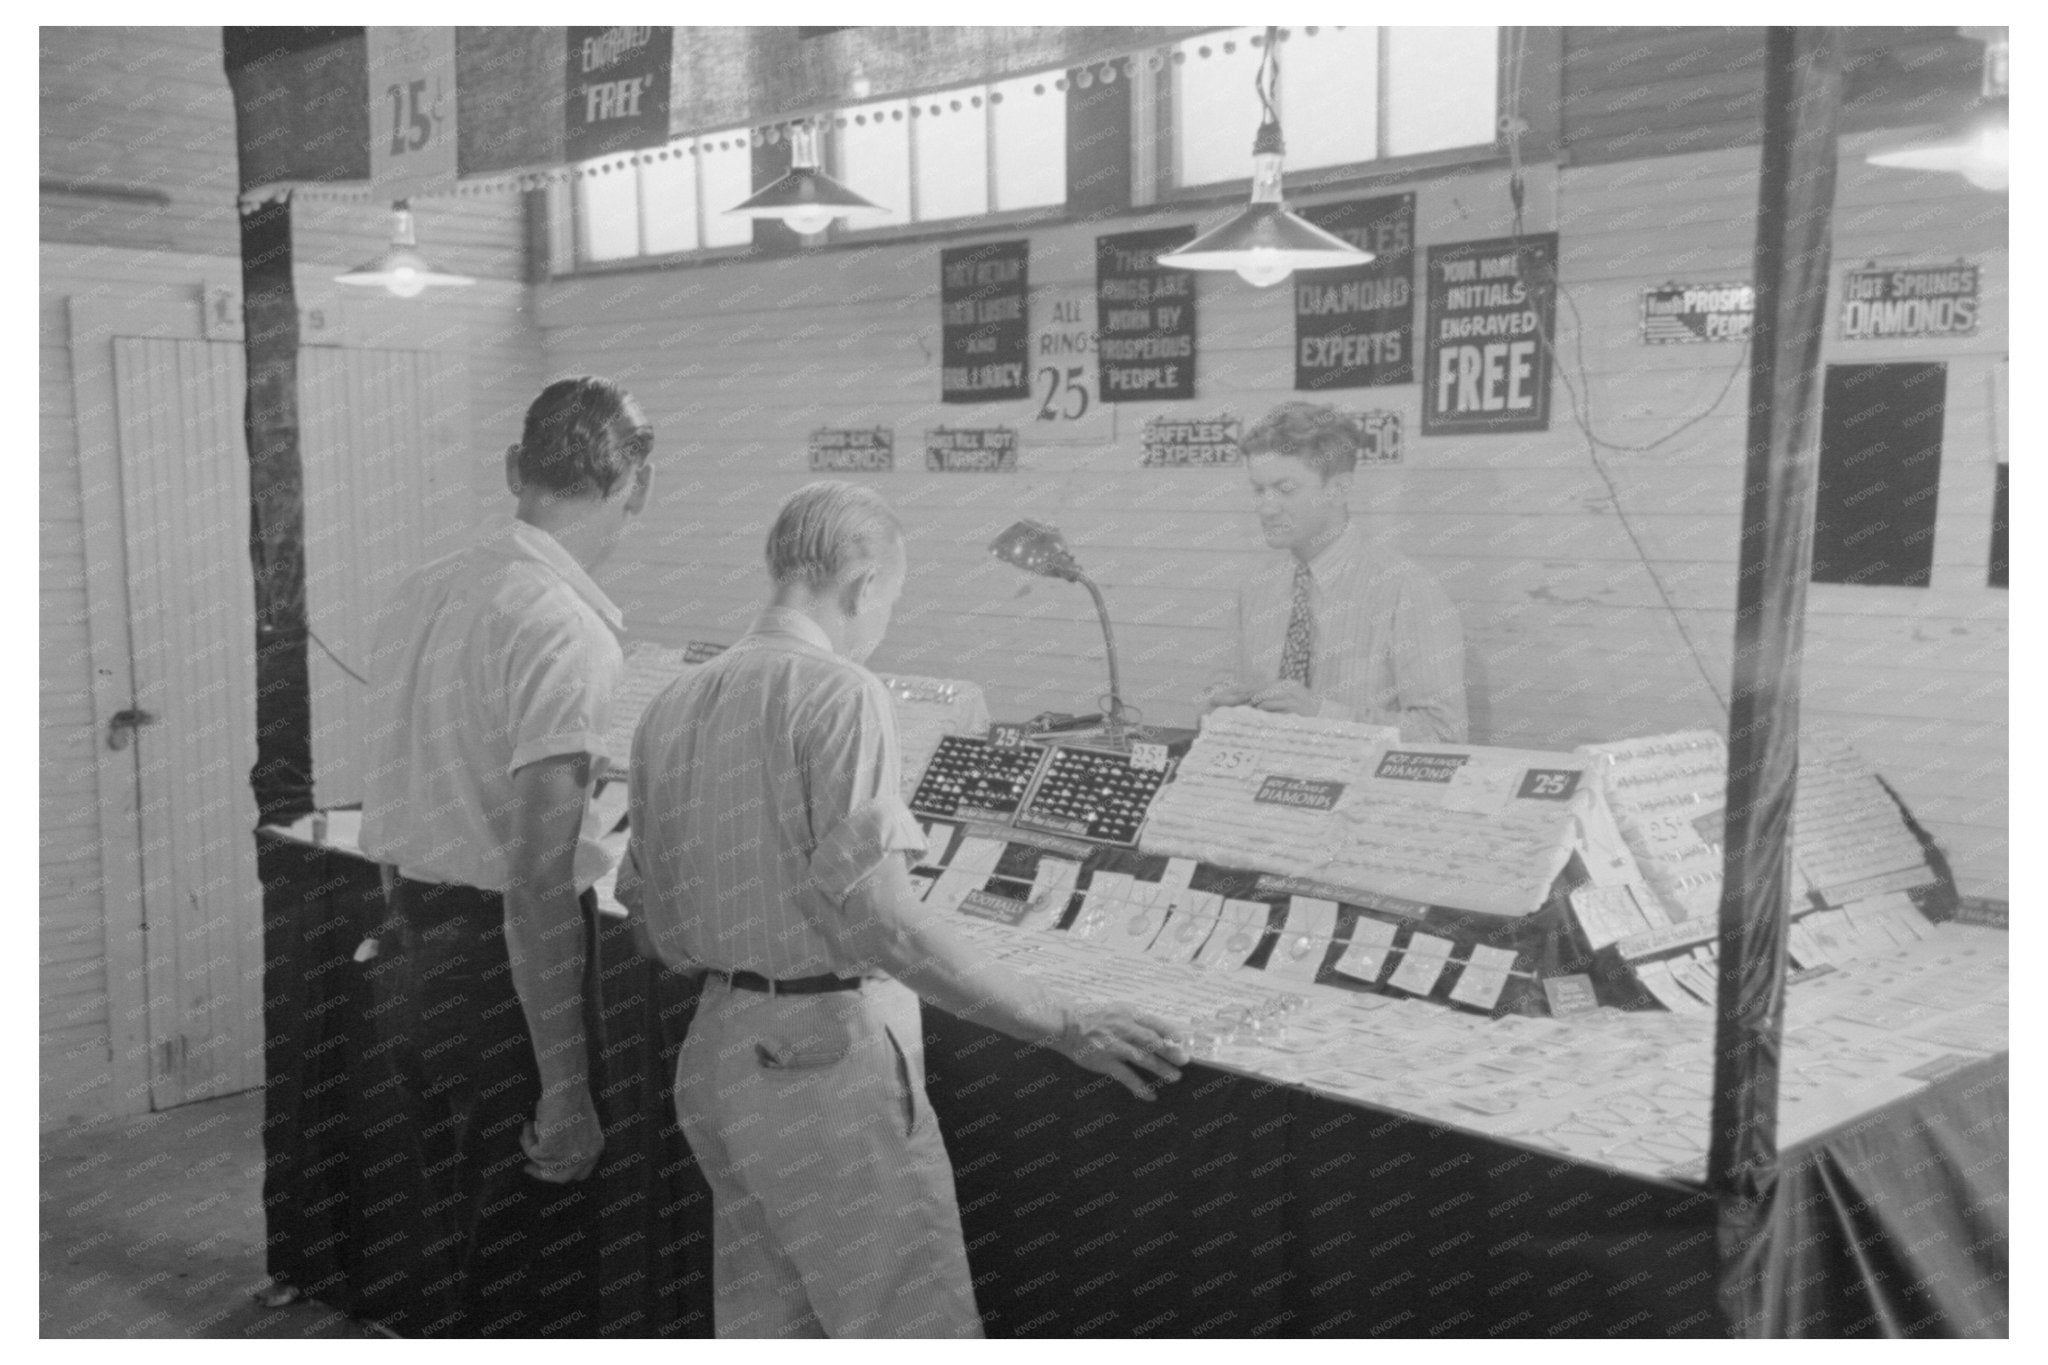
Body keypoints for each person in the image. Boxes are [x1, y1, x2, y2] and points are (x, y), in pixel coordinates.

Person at [621, 481, 1188, 1339]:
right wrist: (1064, 1023)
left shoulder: (671, 705)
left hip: (715, 1058)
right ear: (860, 581)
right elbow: (881, 922)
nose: (882, 621)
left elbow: (649, 925)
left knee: (770, 1331)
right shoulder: (841, 693)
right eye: (888, 600)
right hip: (822, 1068)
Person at [359, 376, 656, 1336]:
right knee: (532, 1265)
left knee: (461, 1243)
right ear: (637, 484)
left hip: (407, 948)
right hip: (499, 982)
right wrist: (566, 1086)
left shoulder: (425, 588)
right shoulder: (563, 627)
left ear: (513, 469)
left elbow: (403, 773)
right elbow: (535, 883)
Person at [1205, 400, 1468, 742]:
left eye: (1285, 489)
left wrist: (1320, 715)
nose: (1266, 507)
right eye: (1258, 489)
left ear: (1339, 489)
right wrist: (1220, 708)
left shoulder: (1406, 590)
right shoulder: (1256, 587)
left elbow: (1445, 736)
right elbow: (1223, 693)